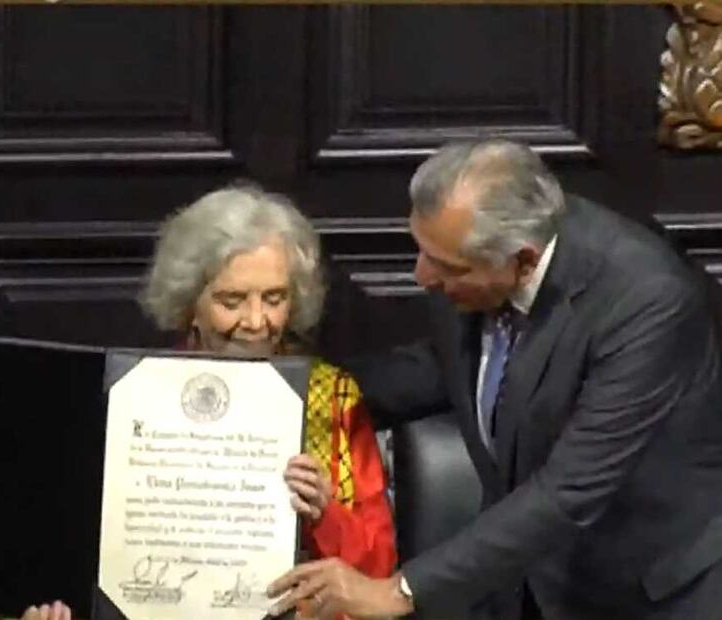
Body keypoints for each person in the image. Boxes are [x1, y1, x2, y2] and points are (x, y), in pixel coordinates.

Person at [266, 140, 722, 620]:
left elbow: (570, 488)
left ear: (522, 261)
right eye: (422, 251)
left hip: (649, 593)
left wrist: (397, 592)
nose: (423, 276)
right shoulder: (469, 256)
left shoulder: (647, 302)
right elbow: (449, 368)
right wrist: (290, 389)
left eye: (446, 267)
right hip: (529, 583)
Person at [141, 184, 397, 578]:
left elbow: (379, 567)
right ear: (190, 303)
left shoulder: (332, 397)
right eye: (232, 301)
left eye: (275, 299)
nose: (258, 321)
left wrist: (324, 514)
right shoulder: (140, 395)